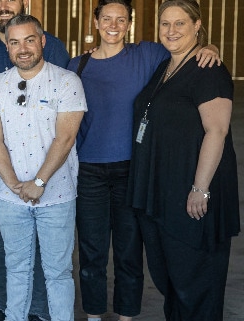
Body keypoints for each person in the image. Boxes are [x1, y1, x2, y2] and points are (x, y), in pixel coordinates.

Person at [65, 1, 220, 320]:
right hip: (88, 172)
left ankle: (126, 317)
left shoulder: (148, 55)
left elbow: (186, 52)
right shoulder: (76, 66)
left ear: (129, 24)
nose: (113, 25)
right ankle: (93, 315)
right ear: (95, 22)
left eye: (121, 19)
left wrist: (212, 47)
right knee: (92, 254)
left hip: (132, 172)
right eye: (106, 18)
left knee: (129, 252)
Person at [128, 0, 238, 319]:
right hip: (162, 192)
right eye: (165, 23)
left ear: (197, 25)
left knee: (195, 284)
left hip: (191, 195)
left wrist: (200, 188)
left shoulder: (209, 70)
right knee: (172, 283)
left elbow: (216, 131)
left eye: (180, 23)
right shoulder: (166, 66)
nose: (171, 30)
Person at [0, 14, 86, 321]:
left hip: (57, 195)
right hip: (11, 198)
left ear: (42, 41)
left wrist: (37, 182)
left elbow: (65, 139)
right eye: (14, 42)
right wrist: (15, 185)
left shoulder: (67, 82)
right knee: (17, 269)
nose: (22, 48)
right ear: (8, 48)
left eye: (29, 40)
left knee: (57, 272)